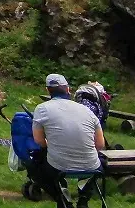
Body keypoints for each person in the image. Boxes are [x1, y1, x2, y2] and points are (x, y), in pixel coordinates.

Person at [32, 73, 105, 208]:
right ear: (68, 89)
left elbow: (39, 141)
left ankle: (63, 200)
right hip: (91, 166)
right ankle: (83, 200)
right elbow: (100, 145)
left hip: (59, 166)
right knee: (100, 162)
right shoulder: (87, 110)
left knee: (35, 164)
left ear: (48, 90)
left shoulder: (42, 109)